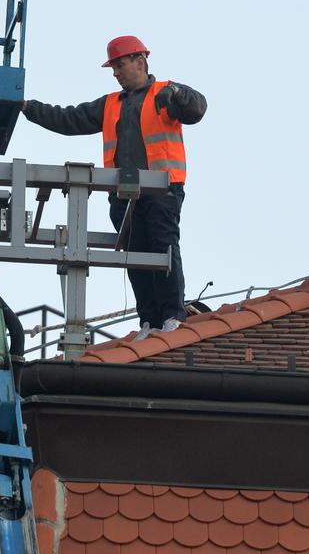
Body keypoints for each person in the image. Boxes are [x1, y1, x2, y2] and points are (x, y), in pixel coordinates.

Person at [20, 36, 207, 339]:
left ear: (140, 62)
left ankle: (172, 315)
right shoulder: (110, 105)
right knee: (135, 255)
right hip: (124, 194)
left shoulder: (165, 94)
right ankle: (150, 320)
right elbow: (69, 118)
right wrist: (31, 109)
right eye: (114, 68)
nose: (116, 73)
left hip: (162, 190)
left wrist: (178, 94)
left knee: (163, 248)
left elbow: (197, 109)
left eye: (119, 65)